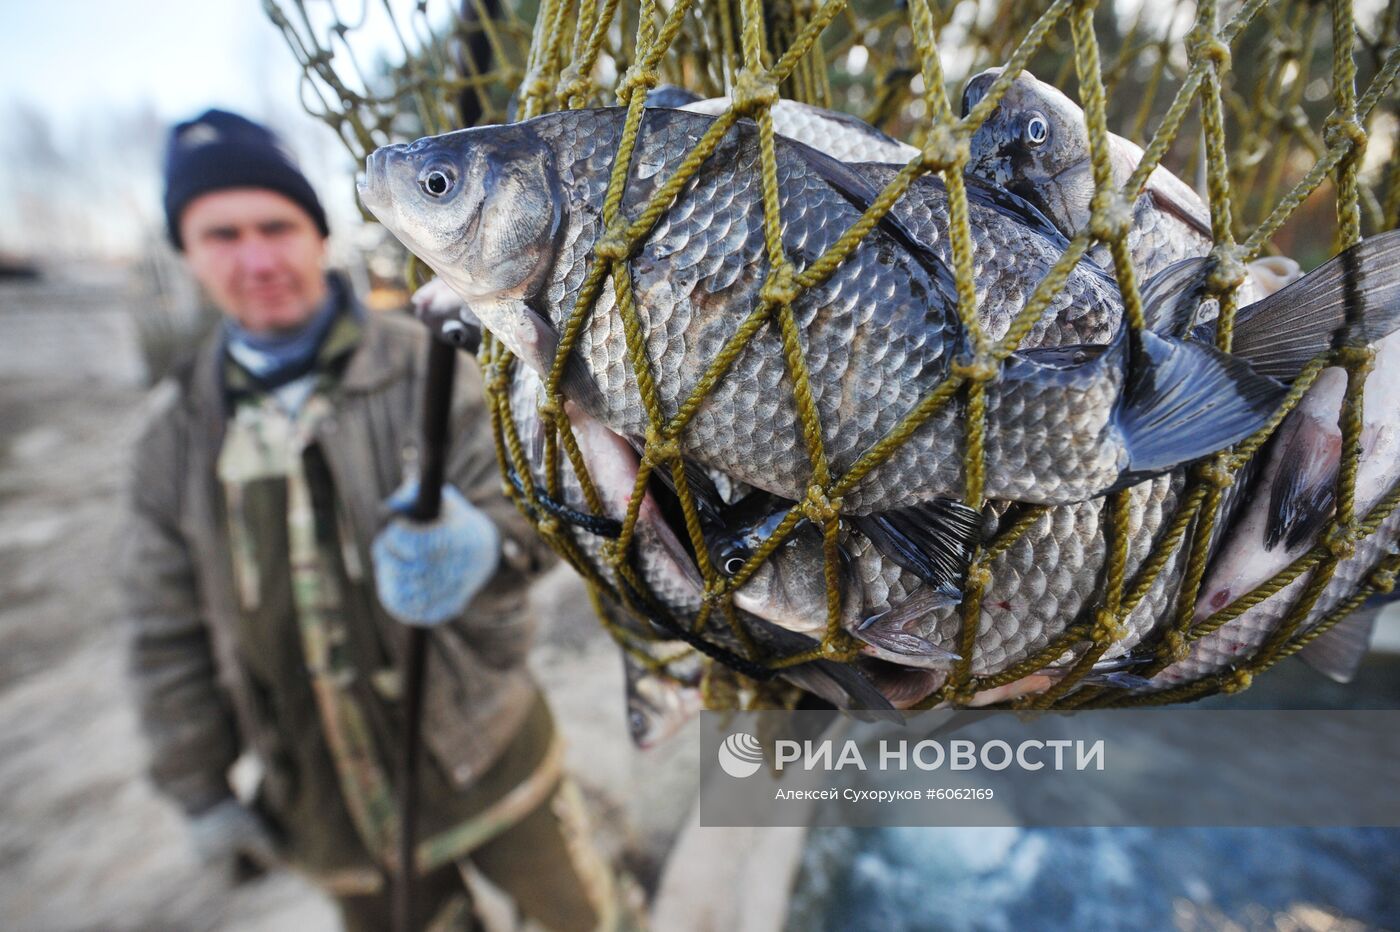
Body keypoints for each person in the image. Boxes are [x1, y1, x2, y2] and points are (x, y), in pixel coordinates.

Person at [123, 108, 616, 931]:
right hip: (326, 802)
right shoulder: (170, 436)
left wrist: (485, 542)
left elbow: (539, 504)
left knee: (581, 917)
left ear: (317, 233)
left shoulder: (431, 360)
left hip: (490, 753)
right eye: (222, 235)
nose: (257, 258)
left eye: (276, 225)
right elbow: (165, 629)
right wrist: (199, 788)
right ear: (188, 252)